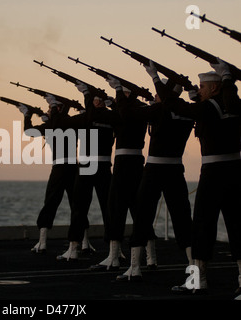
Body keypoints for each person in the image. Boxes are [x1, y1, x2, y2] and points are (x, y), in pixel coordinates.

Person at [108, 63, 194, 281]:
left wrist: (118, 90)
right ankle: (195, 270)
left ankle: (135, 267)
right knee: (183, 219)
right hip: (176, 168)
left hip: (155, 169)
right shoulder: (186, 111)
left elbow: (127, 114)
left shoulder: (160, 109)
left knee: (142, 217)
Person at [168, 59, 241, 295]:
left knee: (202, 226)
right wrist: (198, 98)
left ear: (214, 87)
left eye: (201, 86)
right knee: (237, 226)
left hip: (213, 173)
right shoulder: (230, 103)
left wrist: (171, 88)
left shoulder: (209, 107)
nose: (198, 90)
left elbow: (177, 109)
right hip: (235, 170)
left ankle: (198, 280)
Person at [54, 82, 120, 261]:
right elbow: (62, 123)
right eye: (94, 99)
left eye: (97, 100)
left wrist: (85, 94)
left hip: (96, 165)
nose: (95, 102)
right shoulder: (107, 116)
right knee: (80, 208)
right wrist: (56, 107)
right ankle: (74, 246)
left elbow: (65, 121)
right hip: (94, 165)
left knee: (106, 209)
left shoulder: (95, 117)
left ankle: (114, 250)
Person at [90, 83, 150, 271]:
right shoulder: (142, 109)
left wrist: (89, 96)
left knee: (115, 207)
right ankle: (151, 257)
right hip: (138, 161)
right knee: (138, 209)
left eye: (120, 95)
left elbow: (97, 115)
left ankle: (114, 256)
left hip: (123, 162)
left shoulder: (125, 111)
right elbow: (120, 110)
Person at [17, 100, 78, 254]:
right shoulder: (71, 122)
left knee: (50, 203)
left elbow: (28, 131)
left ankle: (42, 242)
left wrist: (27, 115)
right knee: (77, 206)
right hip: (74, 168)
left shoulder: (53, 125)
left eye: (51, 108)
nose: (48, 110)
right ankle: (83, 243)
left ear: (58, 109)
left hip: (59, 168)